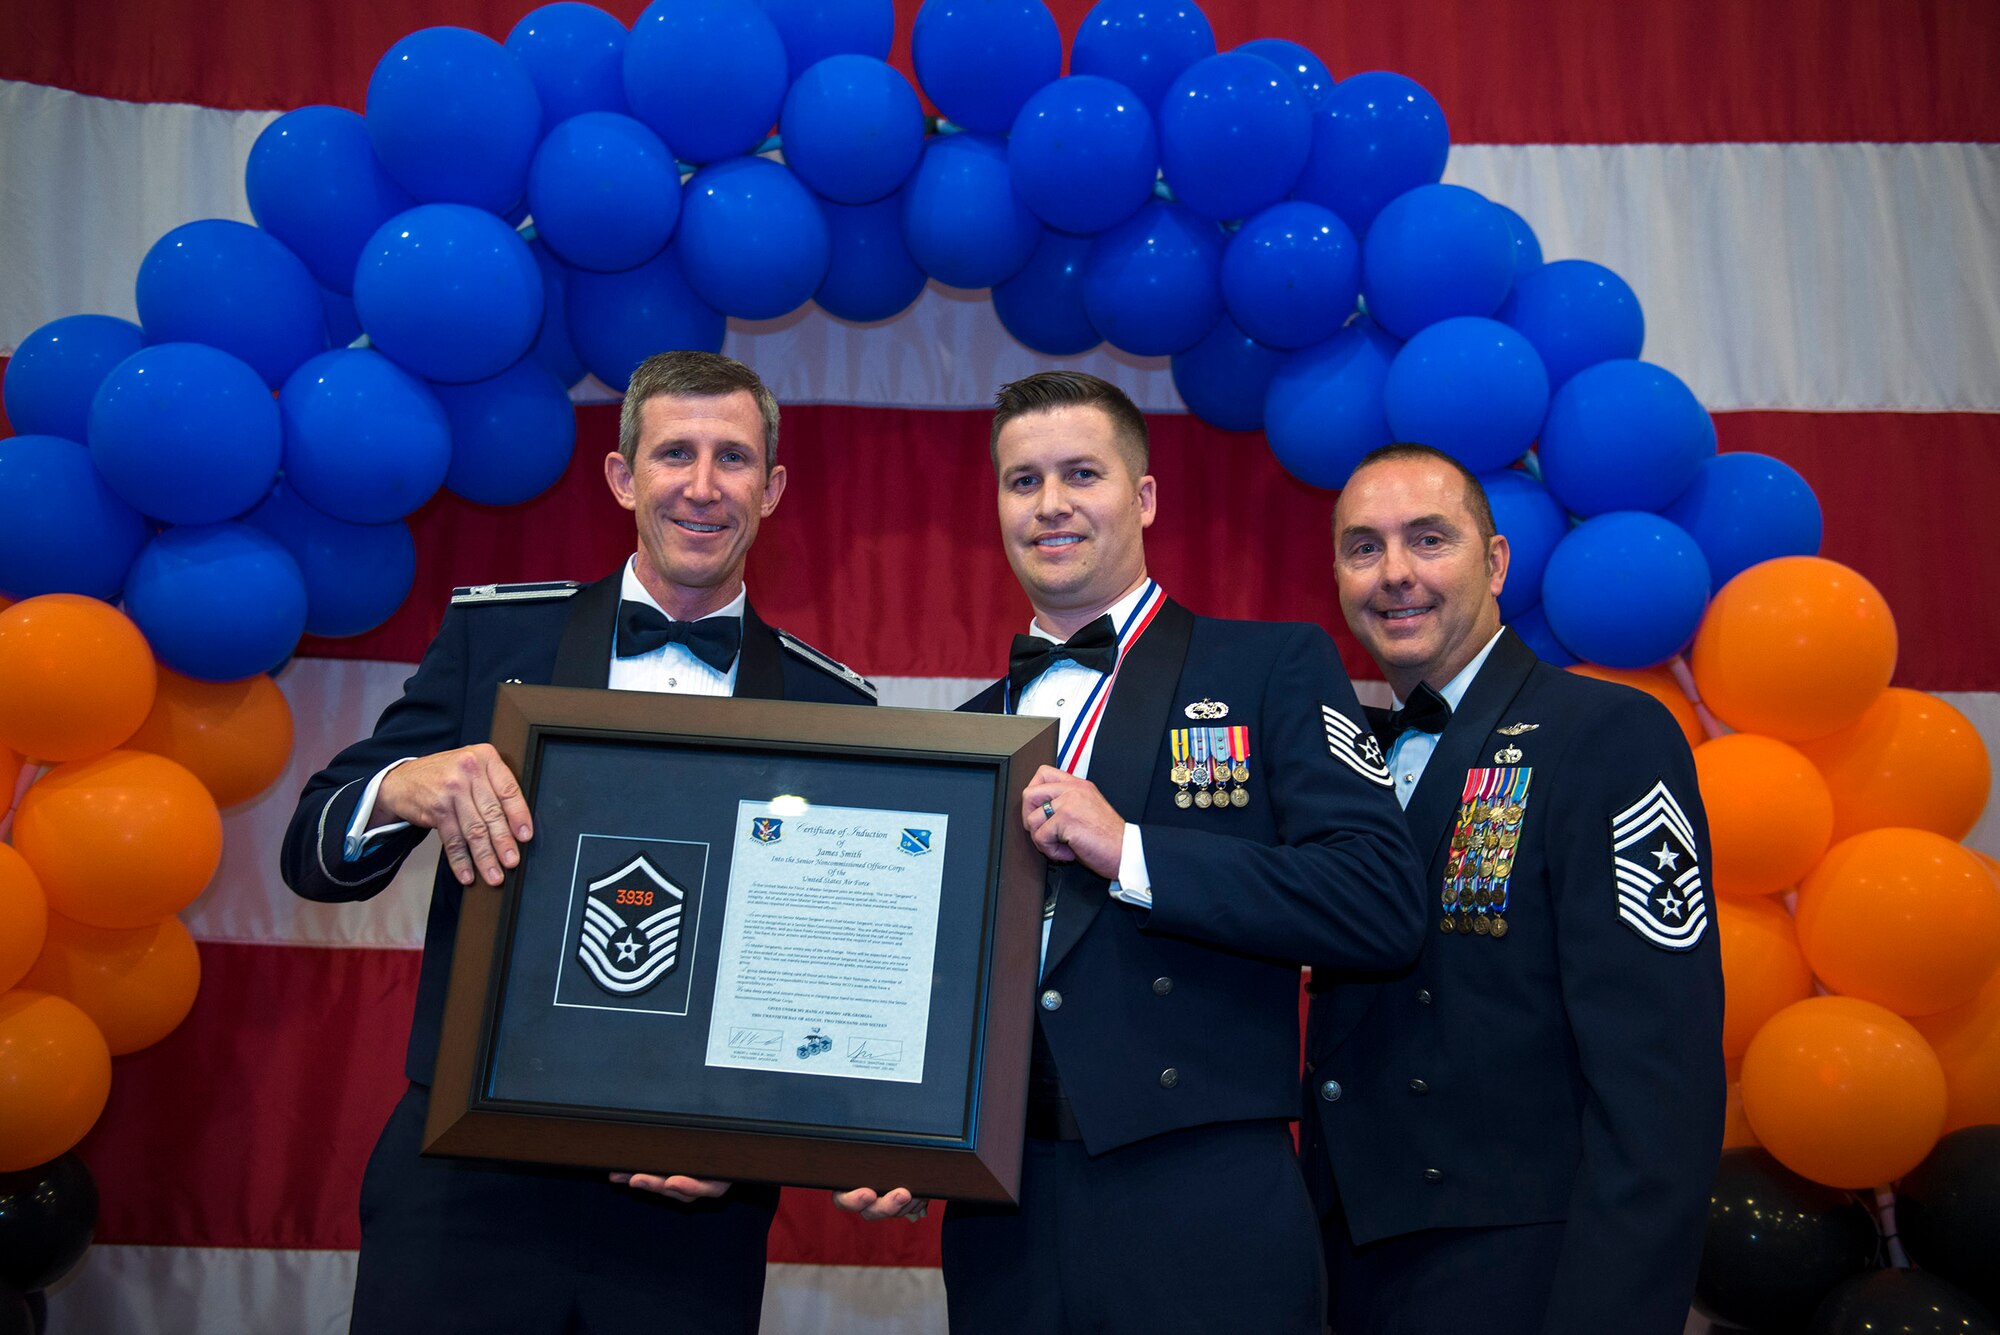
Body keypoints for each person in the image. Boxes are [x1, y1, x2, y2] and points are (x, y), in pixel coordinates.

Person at [279, 350, 876, 1334]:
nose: (699, 484)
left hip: (693, 1206)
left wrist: (761, 1140)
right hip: (466, 1183)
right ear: (620, 476)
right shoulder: (497, 640)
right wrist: (407, 786)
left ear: (770, 490)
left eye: (732, 459)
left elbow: (832, 974)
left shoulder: (833, 704)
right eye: (672, 452)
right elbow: (315, 855)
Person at [839, 371, 1427, 1334]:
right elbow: (933, 983)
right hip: (1003, 1217)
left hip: (1203, 1198)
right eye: (1022, 481)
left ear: (1144, 496)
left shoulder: (1268, 665)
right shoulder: (967, 732)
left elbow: (1378, 901)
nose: (1052, 504)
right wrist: (904, 1127)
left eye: (1082, 473)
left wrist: (1133, 850)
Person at [1301, 443, 1725, 1335]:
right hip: (1350, 1272)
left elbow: (1661, 1080)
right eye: (1364, 547)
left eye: (1429, 539)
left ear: (1495, 561)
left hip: (1530, 1274)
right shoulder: (1334, 761)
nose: (1397, 575)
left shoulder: (1608, 735)